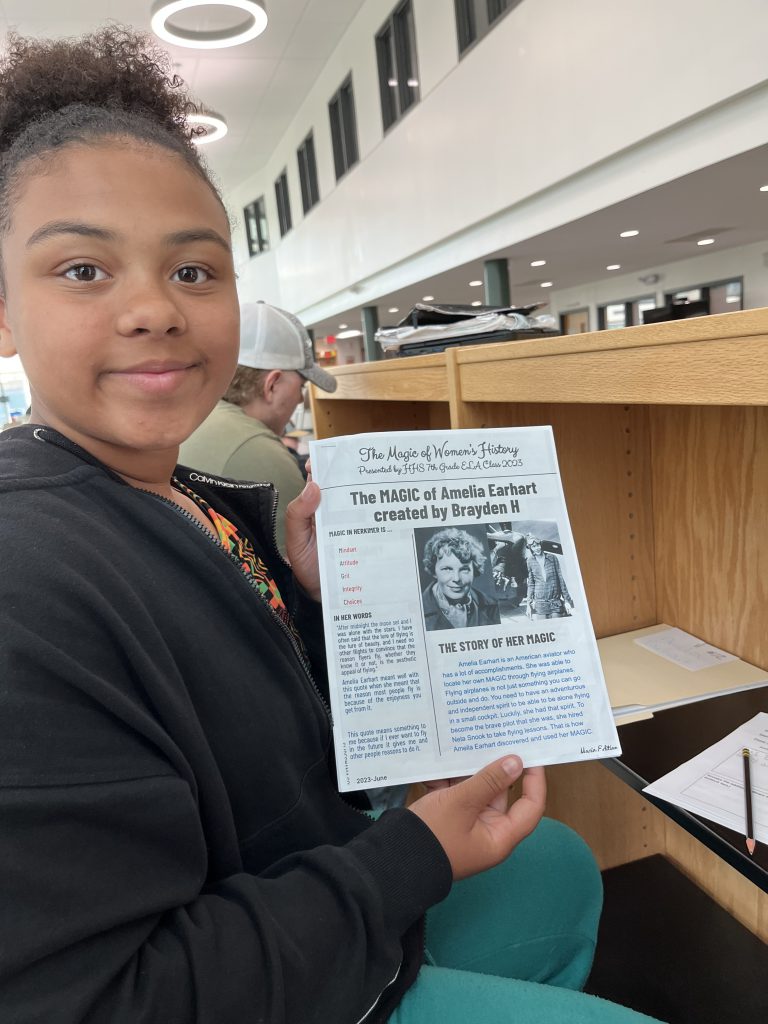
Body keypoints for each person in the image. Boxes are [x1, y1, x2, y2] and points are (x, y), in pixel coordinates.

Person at [0, 27, 661, 1024]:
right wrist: (416, 851)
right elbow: (103, 997)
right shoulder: (28, 581)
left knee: (560, 867)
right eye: (84, 271)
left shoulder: (191, 500)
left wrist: (321, 613)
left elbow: (248, 737)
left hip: (319, 899)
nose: (155, 310)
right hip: (270, 979)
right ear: (4, 312)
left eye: (194, 271)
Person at [180, 300, 336, 555]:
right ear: (272, 384)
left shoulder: (194, 417)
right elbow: (300, 574)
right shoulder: (256, 449)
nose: (299, 399)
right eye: (301, 387)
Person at [422, 528, 501, 631]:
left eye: (464, 569)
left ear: (475, 570)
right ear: (434, 570)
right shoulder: (419, 610)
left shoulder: (493, 607)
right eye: (447, 569)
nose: (456, 578)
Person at [525, 533, 574, 619]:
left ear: (540, 545)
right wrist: (528, 605)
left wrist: (567, 600)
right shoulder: (530, 561)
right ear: (530, 548)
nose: (537, 548)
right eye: (533, 547)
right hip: (540, 603)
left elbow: (560, 579)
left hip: (555, 601)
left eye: (538, 545)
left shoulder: (552, 558)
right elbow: (531, 584)